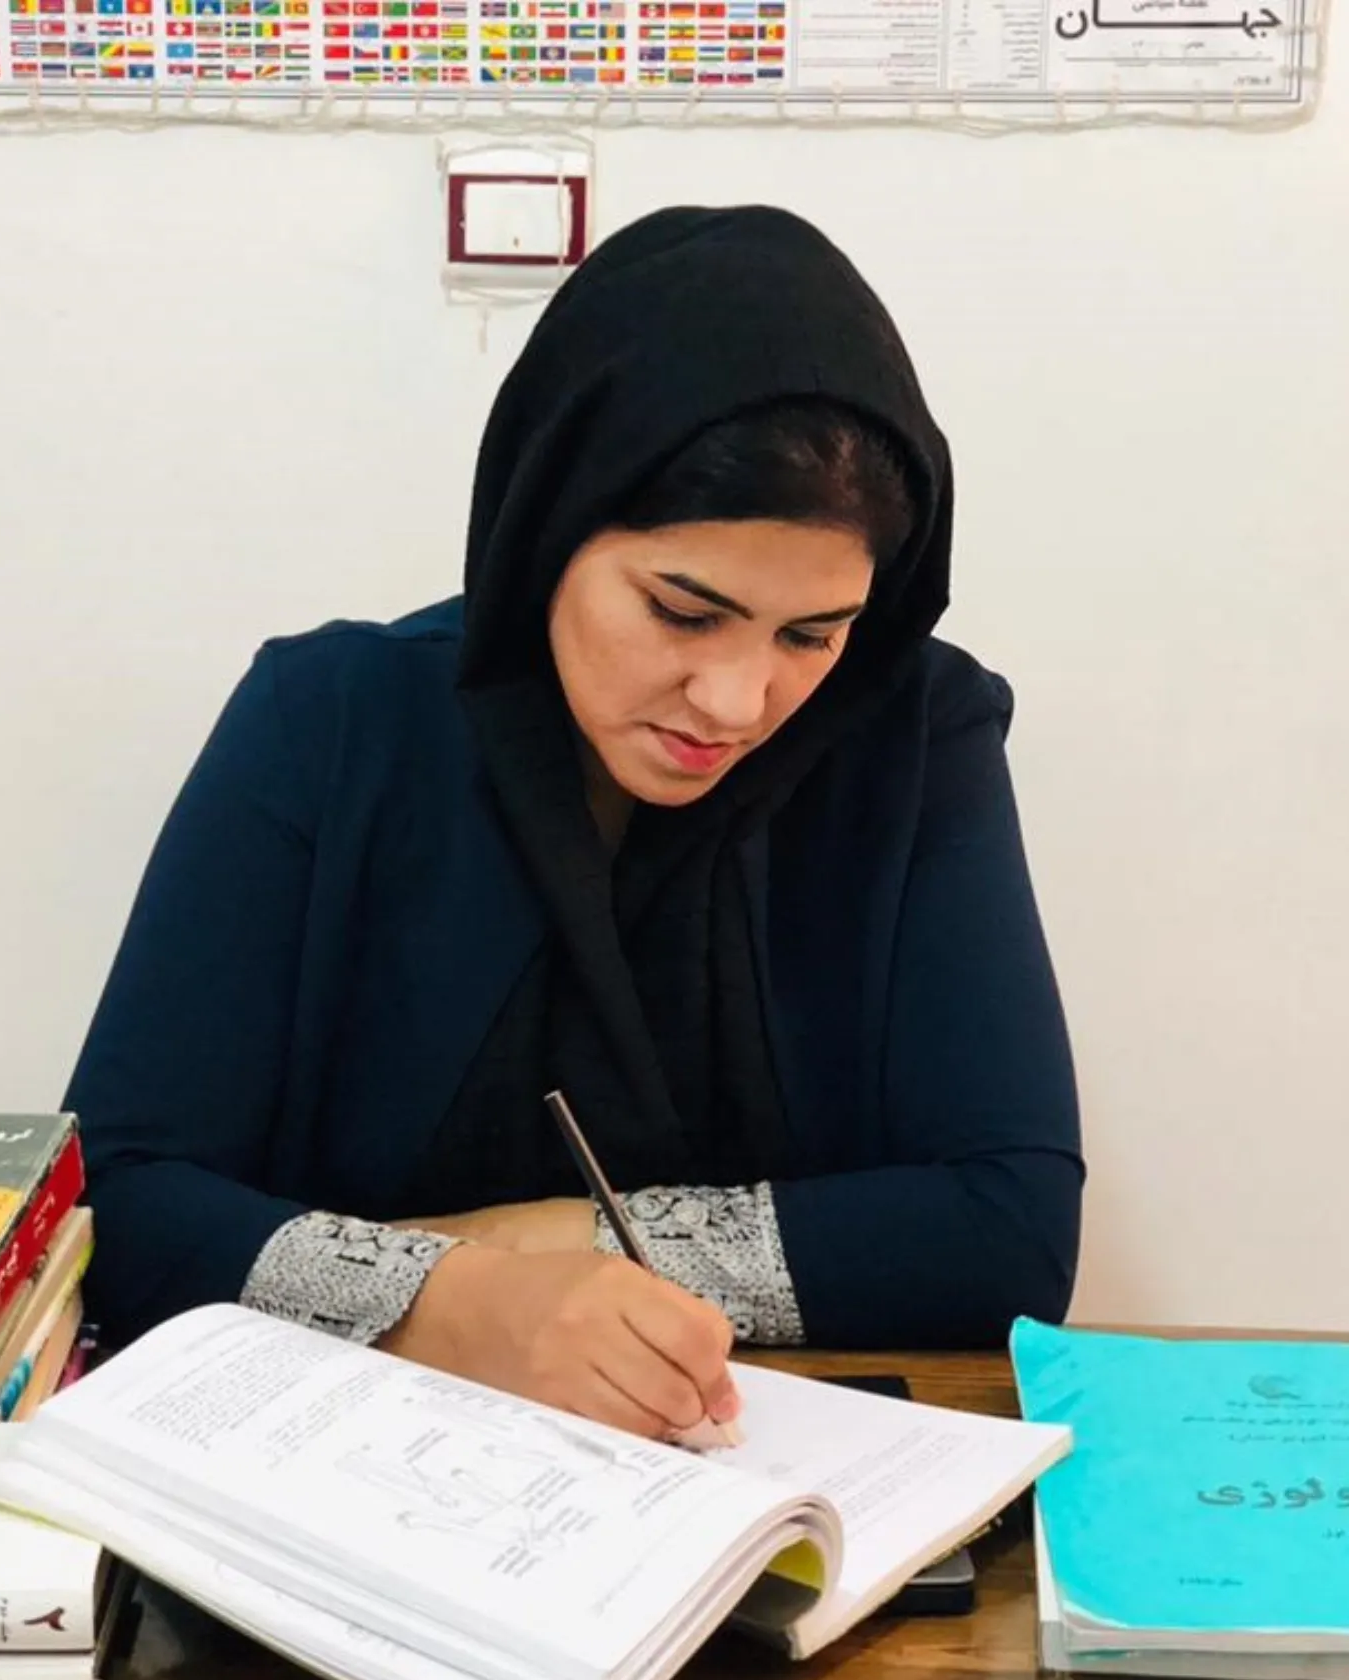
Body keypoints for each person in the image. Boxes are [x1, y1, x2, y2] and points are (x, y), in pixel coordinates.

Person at [63, 204, 1083, 1445]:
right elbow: (112, 1200)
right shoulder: (331, 722)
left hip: (769, 1486)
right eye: (682, 610)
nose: (738, 700)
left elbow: (1008, 1234)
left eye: (811, 634)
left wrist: (518, 1248)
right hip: (342, 1483)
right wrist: (454, 1308)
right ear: (547, 529)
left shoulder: (912, 737)